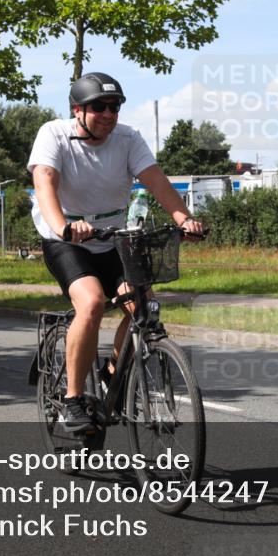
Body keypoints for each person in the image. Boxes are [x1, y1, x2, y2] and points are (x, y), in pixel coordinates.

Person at [28, 72, 205, 432]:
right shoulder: (54, 134)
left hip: (114, 237)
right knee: (92, 303)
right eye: (99, 107)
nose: (108, 114)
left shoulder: (127, 139)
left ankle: (112, 373)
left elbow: (157, 182)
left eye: (115, 107)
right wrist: (63, 226)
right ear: (77, 110)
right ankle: (73, 400)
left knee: (144, 308)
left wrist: (184, 219)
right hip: (68, 241)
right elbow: (44, 182)